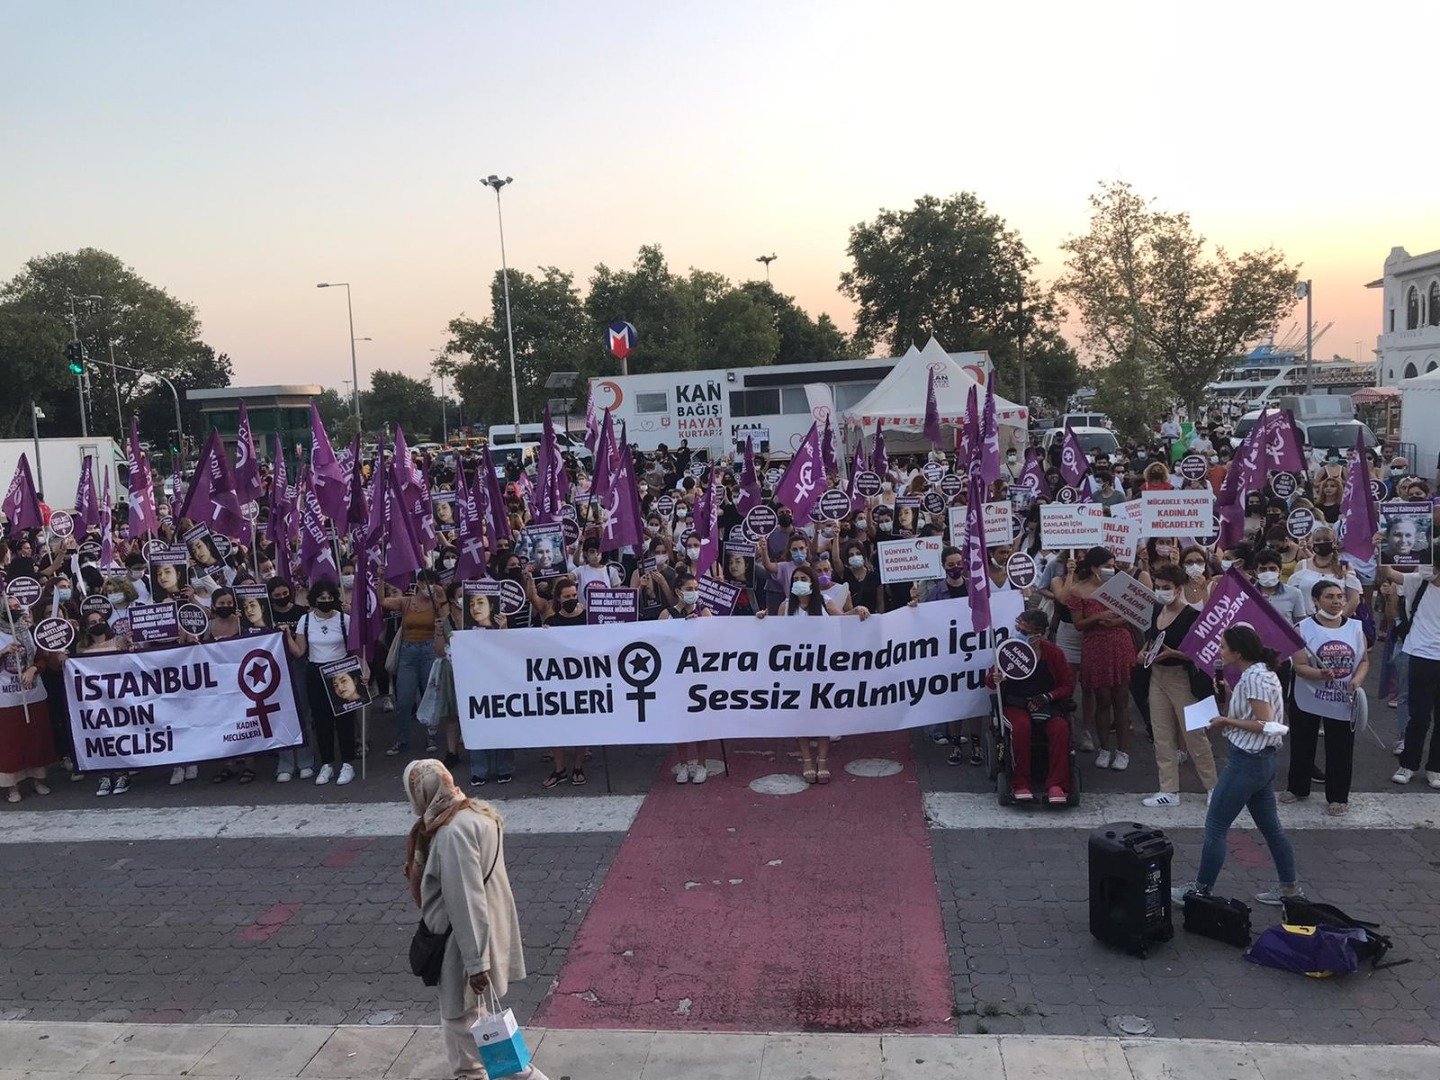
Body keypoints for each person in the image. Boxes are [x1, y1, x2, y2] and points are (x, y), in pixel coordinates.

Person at [401, 760, 551, 1080]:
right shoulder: (477, 812)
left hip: (460, 940)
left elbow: (464, 898)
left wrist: (475, 963)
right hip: (485, 928)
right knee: (462, 1013)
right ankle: (468, 1073)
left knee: (461, 1018)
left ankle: (525, 1076)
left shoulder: (450, 833)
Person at [1173, 626, 1304, 906]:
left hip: (1247, 761)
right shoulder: (1260, 674)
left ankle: (1200, 890)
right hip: (1263, 763)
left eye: (1223, 646)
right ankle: (1290, 891)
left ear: (1238, 651)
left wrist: (1225, 722)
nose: (1220, 651)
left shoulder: (1255, 679)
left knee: (1216, 826)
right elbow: (1253, 710)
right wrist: (1230, 692)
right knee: (1271, 828)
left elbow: (1265, 724)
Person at [1284, 581, 1367, 814]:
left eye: (1340, 596)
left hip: (1342, 697)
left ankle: (1338, 796)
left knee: (1341, 747)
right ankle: (1297, 787)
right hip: (1308, 695)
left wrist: (1357, 681)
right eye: (1329, 596)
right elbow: (1299, 666)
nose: (1337, 601)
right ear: (1316, 601)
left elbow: (1363, 662)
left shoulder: (1355, 628)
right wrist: (1318, 674)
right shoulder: (1302, 629)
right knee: (1302, 742)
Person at [1139, 564, 1217, 807]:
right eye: (1158, 587)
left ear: (1179, 588)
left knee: (1194, 736)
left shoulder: (1192, 616)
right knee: (1162, 735)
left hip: (1182, 679)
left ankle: (1213, 787)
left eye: (1166, 588)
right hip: (1157, 676)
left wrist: (1177, 654)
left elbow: (1204, 653)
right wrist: (1142, 654)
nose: (1161, 592)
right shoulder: (1155, 611)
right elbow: (1150, 641)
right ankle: (1168, 790)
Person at [1058, 546, 1132, 771]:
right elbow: (1078, 624)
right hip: (1095, 647)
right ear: (1093, 567)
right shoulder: (1078, 591)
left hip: (1120, 645)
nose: (1112, 569)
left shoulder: (1120, 587)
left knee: (1120, 701)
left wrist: (1116, 622)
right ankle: (1104, 749)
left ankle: (1122, 751)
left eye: (1113, 565)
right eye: (1107, 566)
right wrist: (1098, 617)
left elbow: (1132, 615)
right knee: (1102, 700)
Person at [994, 607, 1074, 803]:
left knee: (1060, 729)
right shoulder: (1008, 650)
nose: (1019, 634)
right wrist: (996, 678)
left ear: (1039, 635)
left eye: (1024, 632)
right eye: (1018, 629)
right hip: (1016, 704)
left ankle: (1057, 784)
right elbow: (990, 681)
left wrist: (1048, 697)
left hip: (1046, 704)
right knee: (1021, 727)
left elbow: (1068, 685)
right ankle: (1020, 782)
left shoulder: (1053, 653)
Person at [287, 579, 358, 786]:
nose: (325, 601)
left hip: (340, 669)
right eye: (321, 598)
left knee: (344, 720)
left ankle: (347, 763)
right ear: (314, 600)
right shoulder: (305, 621)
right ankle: (327, 763)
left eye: (329, 598)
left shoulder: (344, 619)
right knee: (321, 720)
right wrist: (286, 636)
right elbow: (300, 651)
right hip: (316, 671)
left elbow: (355, 646)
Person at [1379, 558, 1440, 787]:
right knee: (1419, 716)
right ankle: (1408, 765)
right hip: (1420, 654)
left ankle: (1435, 768)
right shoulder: (1419, 582)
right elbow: (1389, 572)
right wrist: (1382, 548)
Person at [383, 570, 450, 757]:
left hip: (429, 652)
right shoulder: (406, 602)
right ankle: (402, 738)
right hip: (408, 653)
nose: (429, 587)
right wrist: (381, 579)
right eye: (427, 583)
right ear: (419, 583)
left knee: (429, 696)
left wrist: (442, 595)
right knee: (404, 700)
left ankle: (431, 736)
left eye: (434, 583)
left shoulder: (437, 604)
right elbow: (382, 602)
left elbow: (445, 620)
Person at [1, 611, 54, 804]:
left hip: (32, 694)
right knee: (10, 742)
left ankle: (38, 780)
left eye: (17, 606)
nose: (15, 609)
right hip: (6, 696)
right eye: (10, 606)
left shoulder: (30, 631)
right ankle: (12, 787)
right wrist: (4, 651)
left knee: (35, 737)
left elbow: (42, 658)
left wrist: (33, 669)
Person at [540, 577, 589, 789]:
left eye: (573, 595)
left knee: (581, 726)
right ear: (558, 599)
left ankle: (578, 767)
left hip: (584, 680)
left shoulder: (589, 618)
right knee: (556, 727)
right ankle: (559, 770)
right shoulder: (551, 622)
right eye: (566, 596)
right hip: (558, 683)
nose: (571, 599)